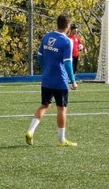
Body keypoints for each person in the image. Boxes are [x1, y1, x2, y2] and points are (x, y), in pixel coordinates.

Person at [25, 15, 78, 147]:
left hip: (47, 78)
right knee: (62, 109)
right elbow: (67, 63)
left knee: (44, 105)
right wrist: (73, 80)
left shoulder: (47, 36)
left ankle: (31, 130)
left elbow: (39, 56)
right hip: (60, 80)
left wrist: (46, 68)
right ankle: (61, 140)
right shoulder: (67, 41)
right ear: (68, 26)